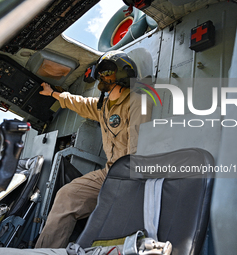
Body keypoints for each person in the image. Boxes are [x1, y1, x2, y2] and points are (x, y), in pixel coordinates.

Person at [35, 50, 152, 248]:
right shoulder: (104, 105)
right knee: (67, 195)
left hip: (131, 175)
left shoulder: (137, 101)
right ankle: (45, 252)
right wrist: (53, 93)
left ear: (123, 74)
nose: (103, 77)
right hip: (109, 172)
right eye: (102, 73)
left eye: (109, 73)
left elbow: (137, 149)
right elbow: (79, 103)